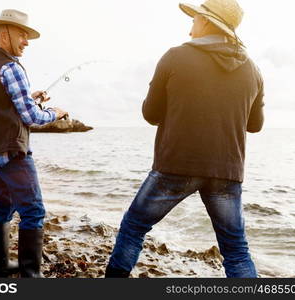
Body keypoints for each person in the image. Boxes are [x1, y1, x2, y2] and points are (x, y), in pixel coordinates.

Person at [105, 0, 264, 278]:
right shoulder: (253, 70)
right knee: (236, 251)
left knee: (133, 228)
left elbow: (150, 113)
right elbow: (255, 125)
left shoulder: (175, 56)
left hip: (176, 166)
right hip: (226, 171)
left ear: (205, 22)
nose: (190, 26)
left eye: (194, 19)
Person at [0, 9, 67, 277]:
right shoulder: (11, 67)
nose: (26, 41)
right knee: (34, 212)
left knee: (1, 209)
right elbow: (32, 117)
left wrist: (31, 95)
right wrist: (56, 113)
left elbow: (0, 105)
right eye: (22, 35)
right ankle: (30, 277)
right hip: (13, 153)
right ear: (4, 35)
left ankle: (0, 267)